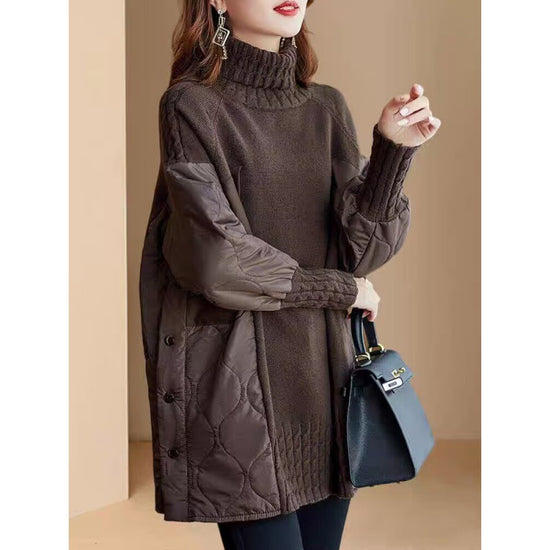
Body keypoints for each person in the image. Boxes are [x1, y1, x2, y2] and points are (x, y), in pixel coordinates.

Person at [138, 1, 441, 548]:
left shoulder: (326, 108)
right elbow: (217, 258)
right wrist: (339, 289)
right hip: (243, 401)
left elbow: (358, 251)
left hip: (328, 388)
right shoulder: (191, 105)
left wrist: (393, 151)